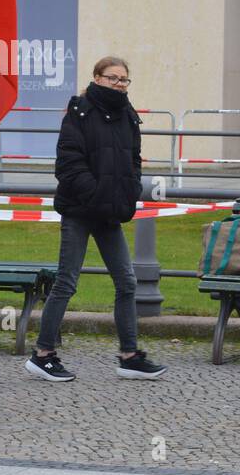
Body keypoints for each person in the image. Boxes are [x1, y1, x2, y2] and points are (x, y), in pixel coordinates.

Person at [26, 56, 166, 382]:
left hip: (110, 213)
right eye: (113, 78)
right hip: (79, 211)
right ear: (97, 78)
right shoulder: (78, 112)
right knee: (66, 282)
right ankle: (42, 354)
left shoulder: (127, 115)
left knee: (126, 282)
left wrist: (128, 193)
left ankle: (129, 355)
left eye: (124, 79)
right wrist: (98, 195)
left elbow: (133, 162)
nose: (119, 84)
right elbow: (68, 166)